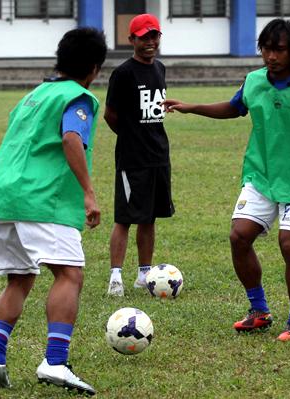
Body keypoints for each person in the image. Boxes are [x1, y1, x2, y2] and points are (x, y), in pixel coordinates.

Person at [163, 18, 290, 341]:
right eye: (266, 49)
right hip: (260, 176)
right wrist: (191, 107)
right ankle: (259, 310)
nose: (271, 56)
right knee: (238, 237)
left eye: (279, 50)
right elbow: (234, 108)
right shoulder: (254, 81)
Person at [0, 28, 107, 394]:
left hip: (6, 195)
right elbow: (71, 138)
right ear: (94, 68)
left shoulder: (34, 95)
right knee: (70, 274)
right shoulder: (79, 96)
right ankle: (55, 361)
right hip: (42, 198)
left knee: (20, 278)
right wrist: (89, 193)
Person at [105, 13, 174, 296]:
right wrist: (131, 135)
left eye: (154, 36)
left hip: (159, 154)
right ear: (131, 39)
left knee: (149, 217)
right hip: (132, 158)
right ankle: (116, 277)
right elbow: (111, 115)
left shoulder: (160, 68)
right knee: (125, 217)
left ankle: (144, 273)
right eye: (143, 37)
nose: (150, 42)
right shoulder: (122, 73)